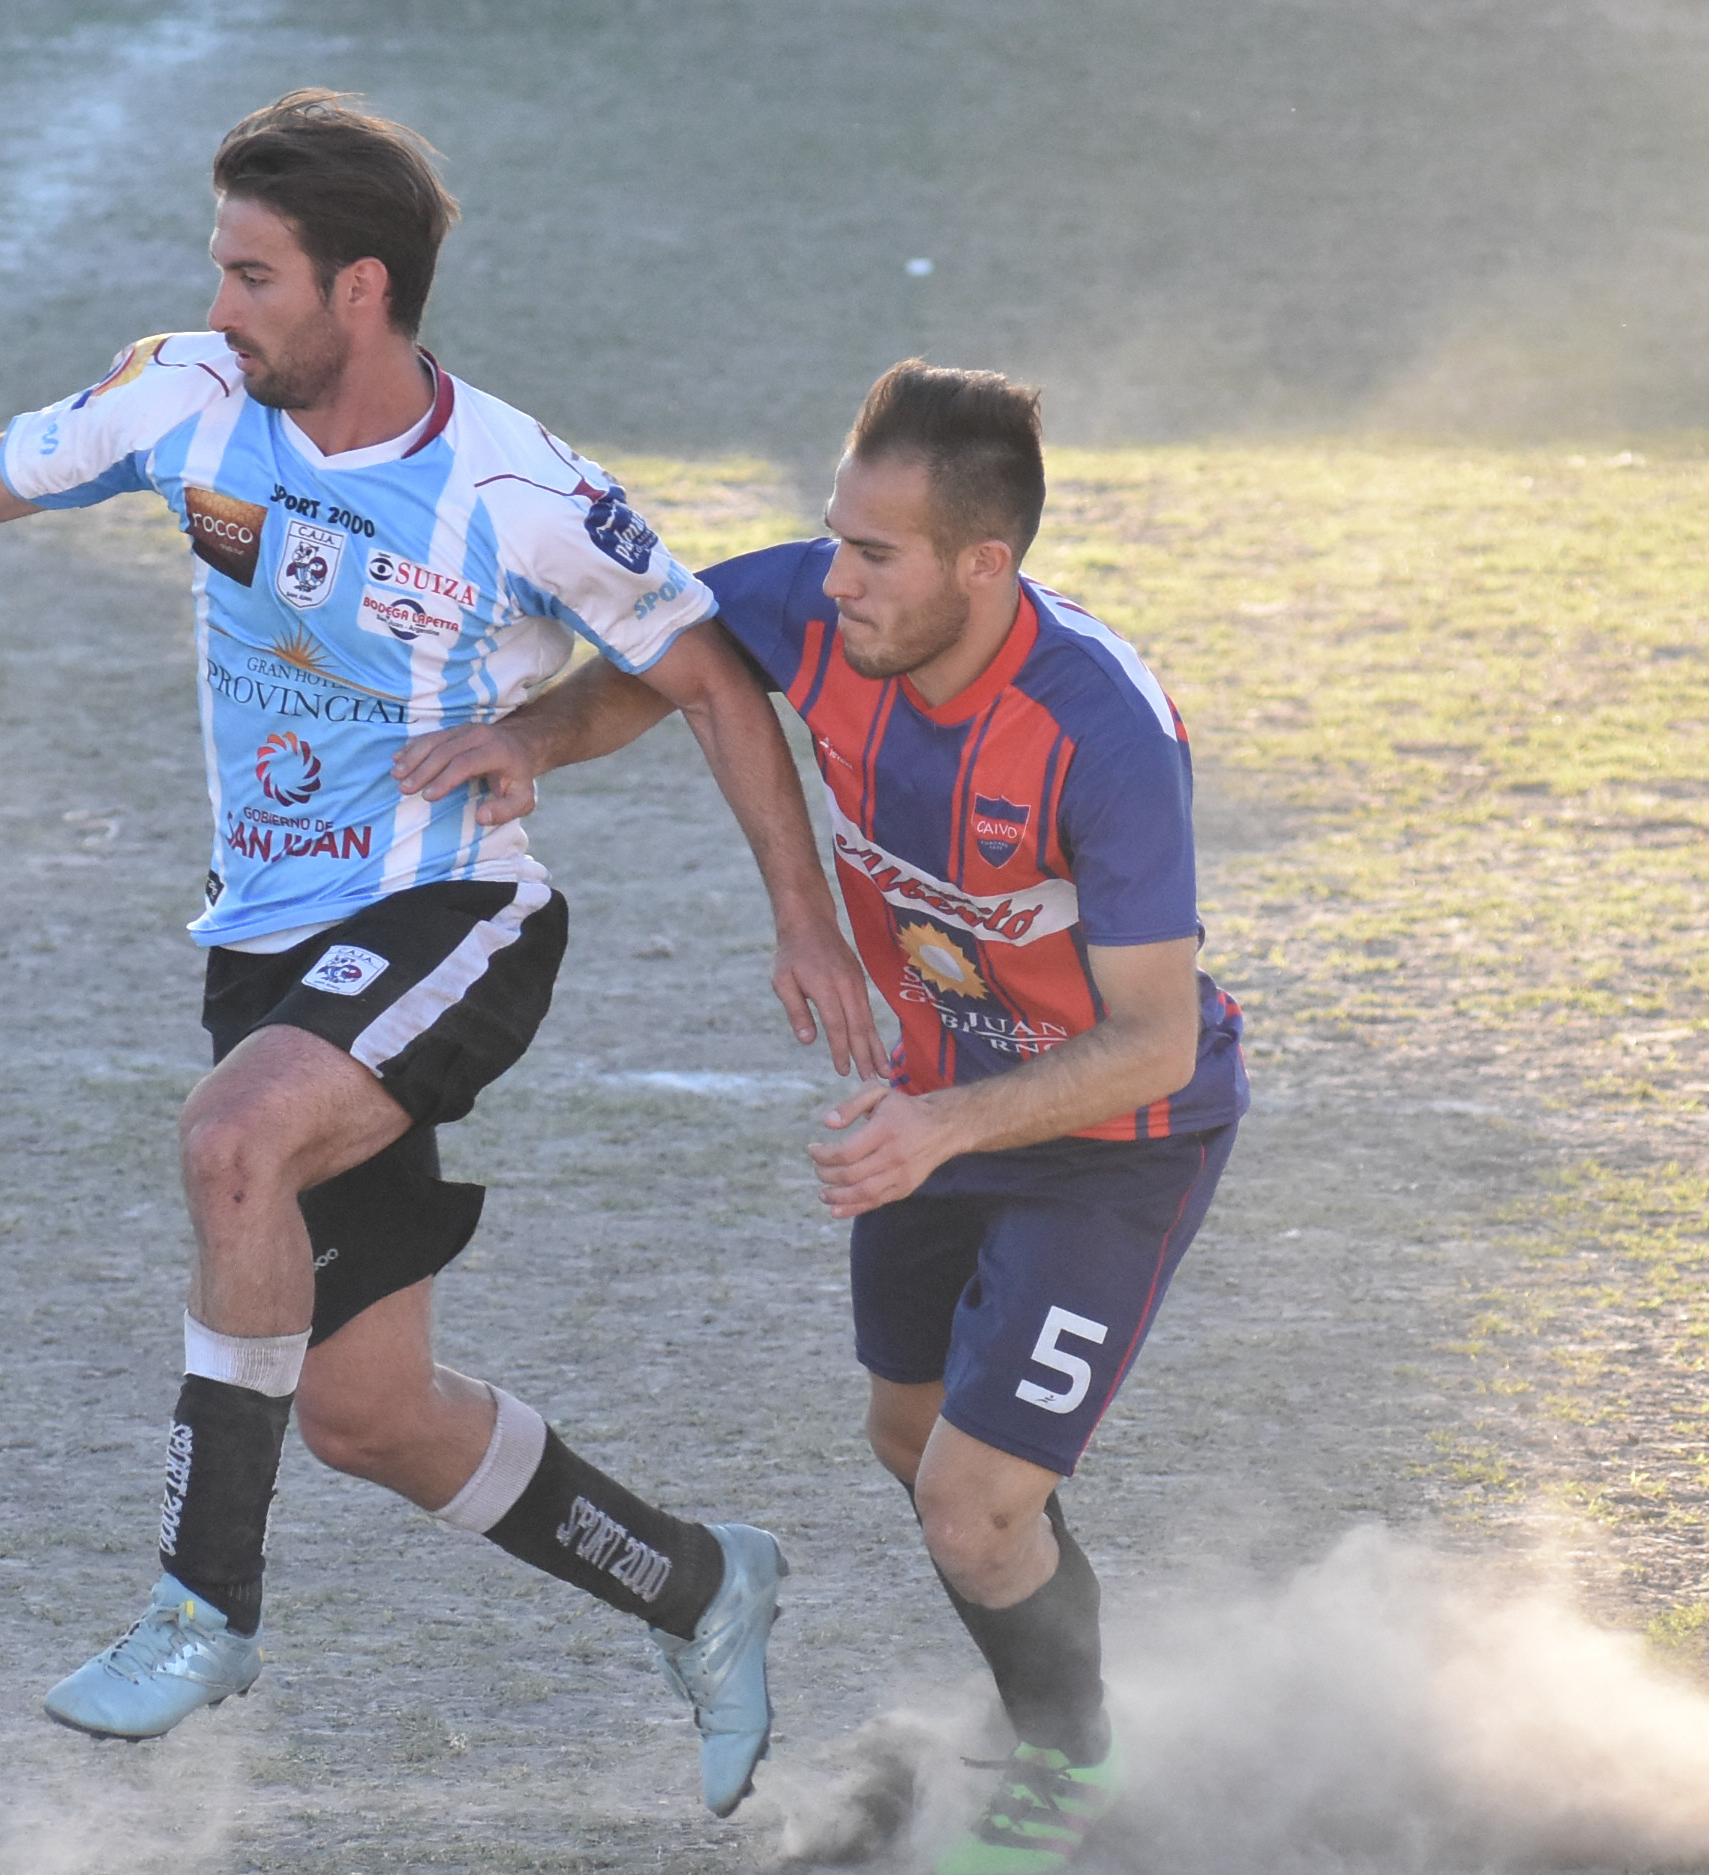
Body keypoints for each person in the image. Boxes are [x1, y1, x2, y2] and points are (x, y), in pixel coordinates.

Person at [0, 91, 879, 1817]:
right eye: (220, 270)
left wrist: (797, 918)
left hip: (454, 913)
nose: (221, 306)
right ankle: (698, 1583)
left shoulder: (520, 488)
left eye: (253, 276)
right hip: (269, 948)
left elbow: (710, 677)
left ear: (361, 289)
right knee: (370, 1412)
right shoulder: (190, 399)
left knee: (233, 1140)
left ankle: (204, 1609)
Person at [406, 360, 1245, 1872]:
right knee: (911, 1443)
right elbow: (673, 658)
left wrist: (945, 1127)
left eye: (874, 552)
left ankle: (1074, 1756)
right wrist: (532, 744)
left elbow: (1155, 1042)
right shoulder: (818, 607)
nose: (833, 577)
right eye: (836, 536)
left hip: (1113, 1143)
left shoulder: (1101, 734)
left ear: (984, 564)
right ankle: (1043, 1655)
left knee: (972, 1509)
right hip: (933, 1111)